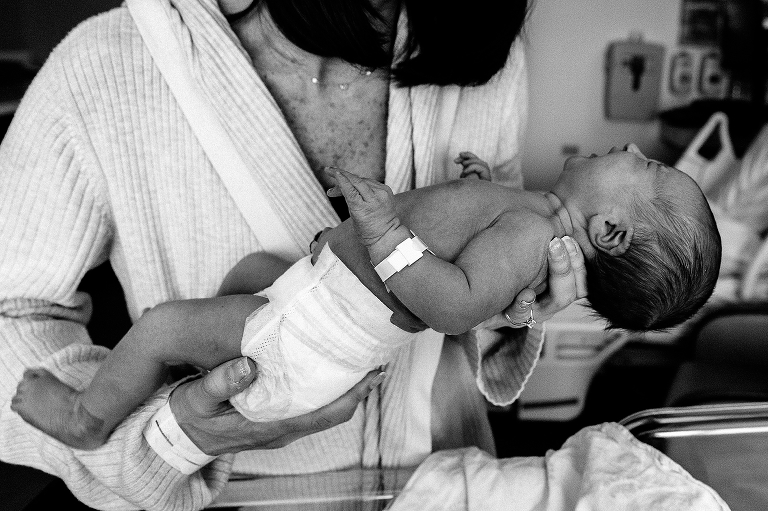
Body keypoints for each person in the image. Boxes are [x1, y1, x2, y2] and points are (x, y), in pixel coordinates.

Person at [0, 0, 586, 509]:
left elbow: (476, 272)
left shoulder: (471, 44)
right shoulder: (105, 67)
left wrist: (513, 304)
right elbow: (13, 311)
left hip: (453, 483)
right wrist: (173, 437)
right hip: (231, 497)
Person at [12, 143, 721, 450]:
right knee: (245, 280)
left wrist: (384, 232)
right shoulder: (530, 216)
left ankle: (87, 415)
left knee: (166, 326)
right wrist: (476, 184)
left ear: (610, 232)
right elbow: (471, 237)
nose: (631, 152)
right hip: (309, 301)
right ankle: (167, 378)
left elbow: (453, 303)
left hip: (310, 334)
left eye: (648, 167)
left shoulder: (533, 238)